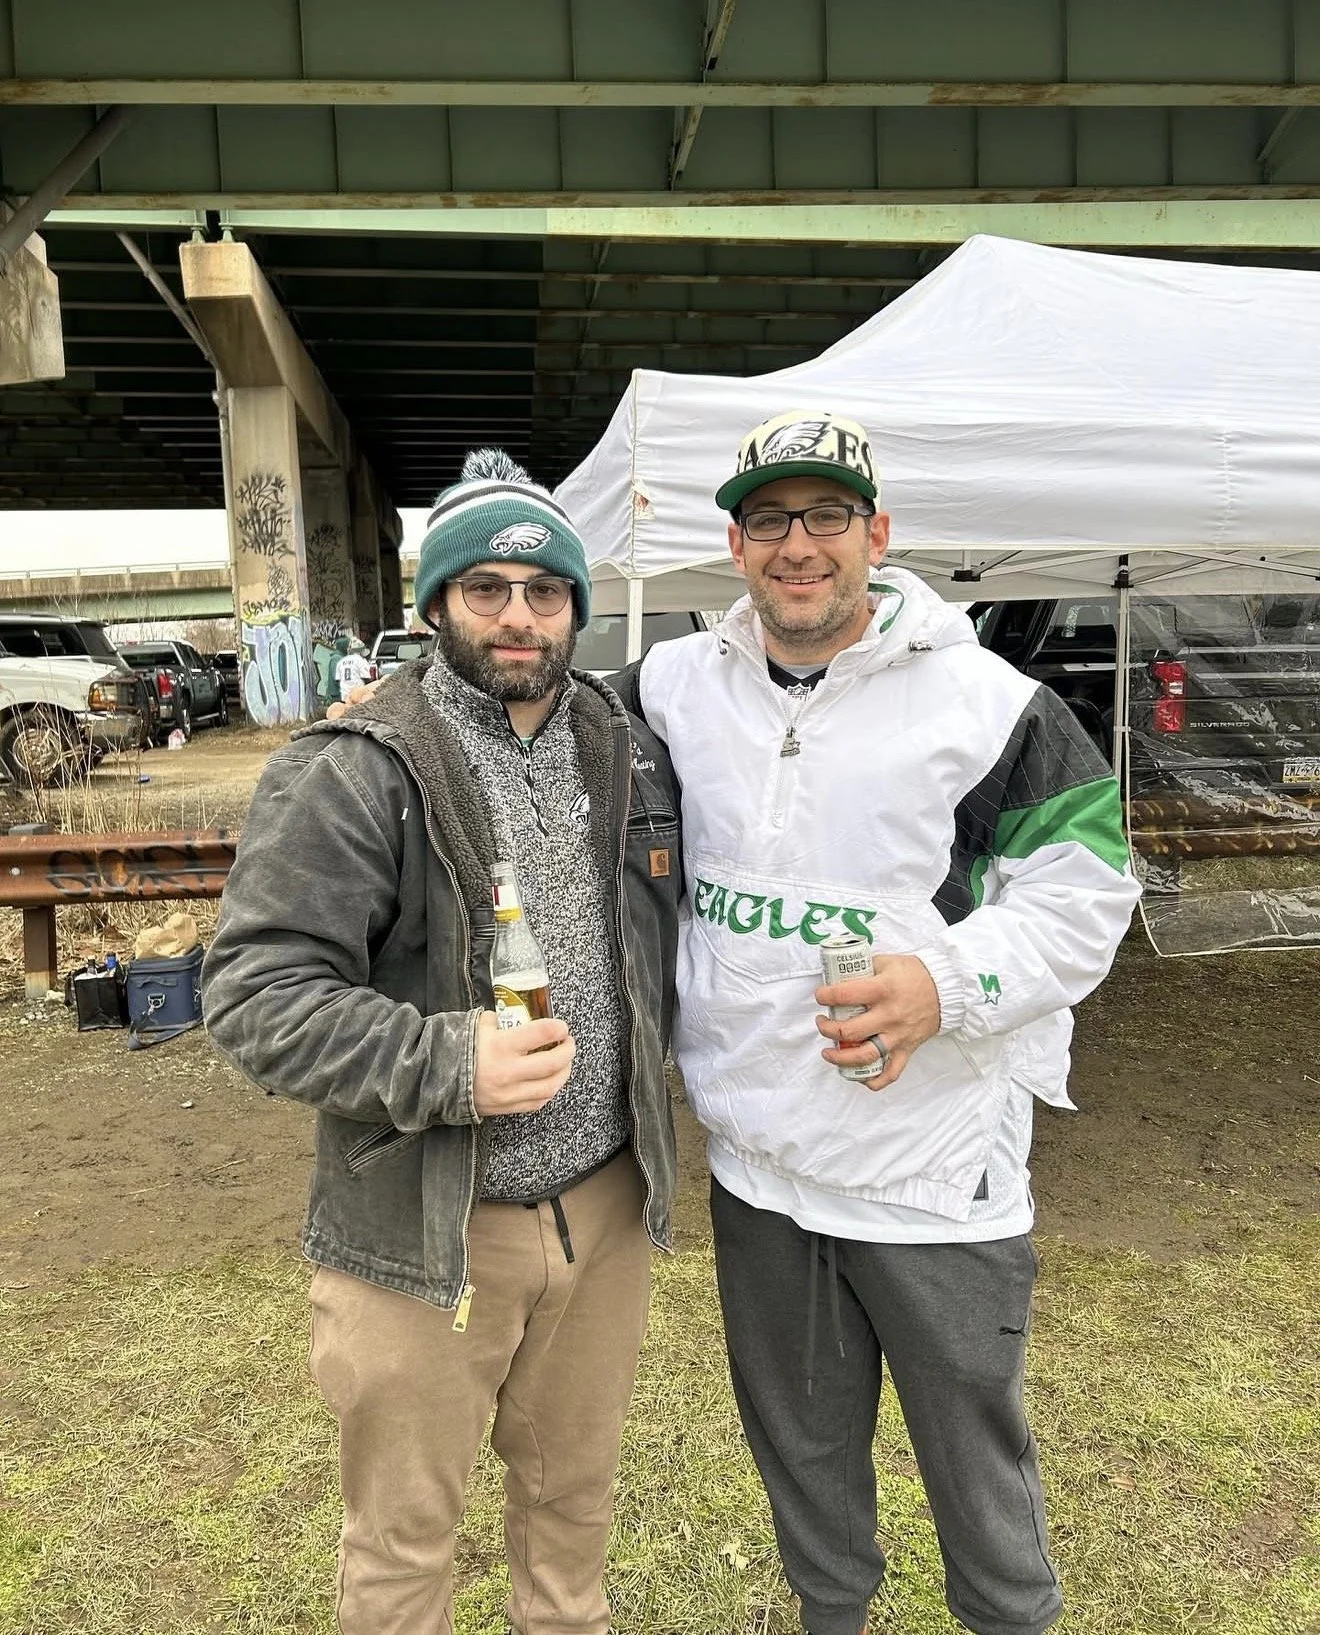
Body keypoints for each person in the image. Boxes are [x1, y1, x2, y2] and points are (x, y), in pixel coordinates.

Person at [613, 410, 1142, 1635]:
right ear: (735, 547)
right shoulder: (673, 686)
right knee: (801, 1458)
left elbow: (1088, 890)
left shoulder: (991, 705)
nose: (799, 546)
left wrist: (943, 984)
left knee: (977, 1467)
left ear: (878, 535)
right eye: (769, 522)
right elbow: (526, 730)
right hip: (758, 1168)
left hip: (930, 1169)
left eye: (827, 518)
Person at [202, 448, 681, 1635]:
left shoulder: (629, 747)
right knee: (404, 1546)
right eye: (487, 589)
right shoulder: (353, 769)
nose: (519, 616)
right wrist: (450, 1063)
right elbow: (256, 995)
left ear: (574, 605)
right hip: (427, 1230)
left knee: (573, 1515)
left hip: (605, 1212)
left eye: (545, 590)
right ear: (434, 607)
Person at [333, 633, 373, 702]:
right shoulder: (360, 660)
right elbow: (366, 678)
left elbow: (338, 680)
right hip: (358, 696)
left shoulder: (341, 662)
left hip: (345, 697)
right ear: (361, 651)